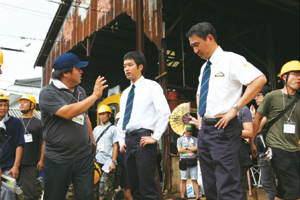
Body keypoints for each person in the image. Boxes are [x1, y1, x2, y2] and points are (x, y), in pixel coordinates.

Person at [186, 22, 267, 200]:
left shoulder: (231, 60)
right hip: (205, 130)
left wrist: (235, 109)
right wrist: (200, 117)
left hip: (223, 128)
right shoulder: (204, 67)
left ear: (210, 38)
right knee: (210, 184)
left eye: (196, 45)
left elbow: (259, 79)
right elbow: (200, 93)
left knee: (227, 184)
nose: (194, 50)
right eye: (192, 46)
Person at [39, 53, 108, 200]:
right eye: (78, 68)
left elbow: (86, 118)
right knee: (54, 197)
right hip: (58, 159)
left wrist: (92, 143)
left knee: (86, 196)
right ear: (65, 72)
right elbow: (68, 113)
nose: (82, 71)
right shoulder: (47, 93)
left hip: (83, 158)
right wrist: (94, 96)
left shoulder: (80, 91)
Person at [117, 51, 171, 199]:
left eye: (130, 65)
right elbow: (122, 120)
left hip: (144, 139)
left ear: (140, 66)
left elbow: (165, 113)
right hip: (128, 142)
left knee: (147, 185)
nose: (126, 69)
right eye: (124, 66)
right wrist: (121, 141)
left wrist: (155, 137)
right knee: (133, 186)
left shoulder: (151, 86)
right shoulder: (126, 93)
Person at [250, 60, 300, 200]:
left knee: (283, 188)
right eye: (295, 74)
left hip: (295, 148)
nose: (299, 77)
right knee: (294, 187)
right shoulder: (272, 96)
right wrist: (252, 141)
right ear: (284, 77)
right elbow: (257, 119)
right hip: (277, 148)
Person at [250, 85, 276, 200]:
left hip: (267, 153)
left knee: (268, 183)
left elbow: (257, 129)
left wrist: (252, 117)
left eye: (258, 95)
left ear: (266, 97)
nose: (255, 98)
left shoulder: (267, 111)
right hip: (271, 151)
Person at [17, 94, 44, 200]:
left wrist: (42, 160)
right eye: (20, 102)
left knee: (31, 194)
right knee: (13, 192)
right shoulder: (15, 122)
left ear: (32, 106)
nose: (21, 104)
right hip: (15, 164)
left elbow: (43, 143)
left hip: (31, 163)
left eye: (25, 102)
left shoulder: (39, 123)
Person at [0, 92, 25, 200]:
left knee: (8, 191)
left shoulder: (15, 122)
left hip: (8, 167)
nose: (3, 108)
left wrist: (16, 166)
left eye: (5, 105)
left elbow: (19, 144)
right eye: (0, 105)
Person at [93, 105, 118, 200]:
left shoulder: (113, 129)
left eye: (103, 114)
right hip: (97, 161)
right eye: (100, 114)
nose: (101, 116)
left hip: (108, 162)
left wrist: (113, 161)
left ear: (109, 115)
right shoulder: (96, 129)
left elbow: (115, 146)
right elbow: (93, 145)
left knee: (108, 189)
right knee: (94, 187)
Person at [237, 106, 258, 200]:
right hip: (222, 152)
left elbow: (249, 132)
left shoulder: (243, 109)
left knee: (241, 188)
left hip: (240, 153)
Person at [177, 124, 200, 200]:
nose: (189, 133)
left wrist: (186, 148)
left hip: (192, 160)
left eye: (190, 131)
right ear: (184, 130)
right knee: (183, 180)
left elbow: (196, 148)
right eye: (187, 131)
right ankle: (182, 197)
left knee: (194, 180)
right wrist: (191, 148)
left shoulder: (195, 139)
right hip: (183, 161)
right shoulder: (180, 139)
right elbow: (179, 150)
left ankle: (197, 197)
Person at [113, 112, 133, 200]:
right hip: (117, 164)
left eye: (120, 120)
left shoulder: (129, 134)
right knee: (114, 189)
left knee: (127, 189)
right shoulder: (114, 132)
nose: (118, 122)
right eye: (117, 120)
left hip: (127, 165)